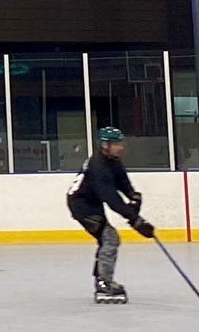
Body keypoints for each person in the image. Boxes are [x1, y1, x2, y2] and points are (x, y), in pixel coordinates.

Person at [66, 126, 154, 304]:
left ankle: (102, 279)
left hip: (93, 203)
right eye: (117, 144)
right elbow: (111, 199)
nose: (121, 147)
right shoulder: (98, 166)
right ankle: (103, 283)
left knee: (107, 239)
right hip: (82, 206)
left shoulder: (112, 161)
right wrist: (135, 219)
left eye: (121, 143)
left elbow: (122, 182)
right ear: (106, 145)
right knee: (110, 238)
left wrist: (133, 197)